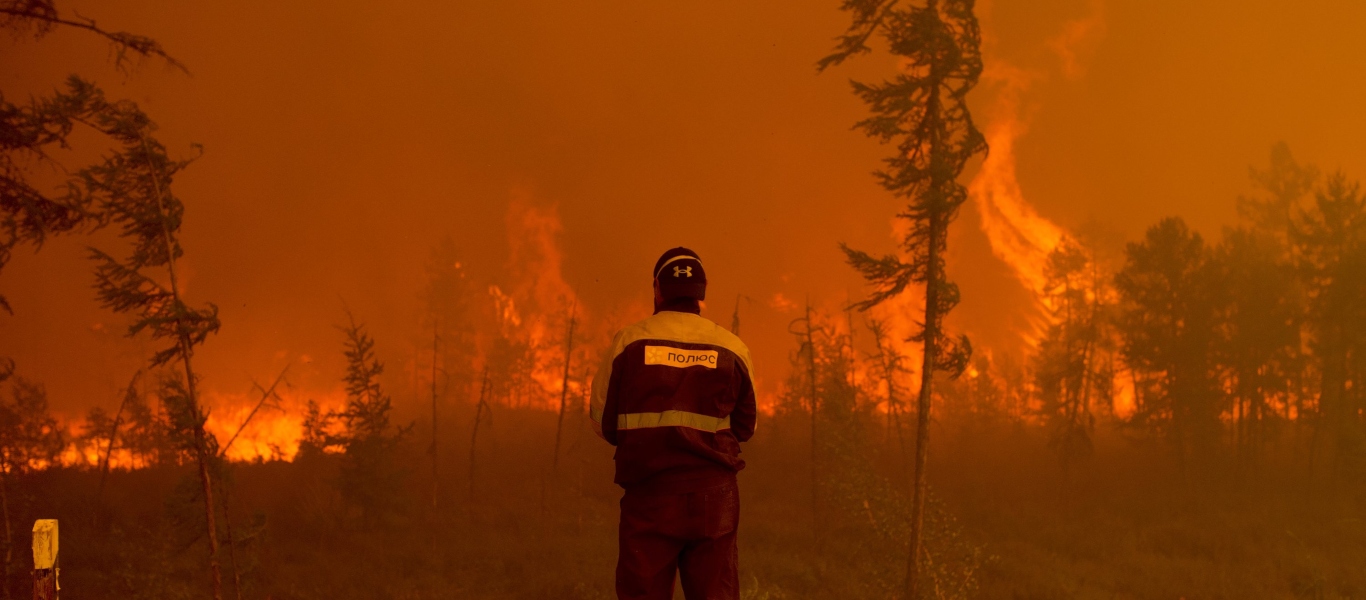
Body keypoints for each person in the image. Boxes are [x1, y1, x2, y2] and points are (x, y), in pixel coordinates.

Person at [590, 247, 758, 600]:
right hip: (715, 500)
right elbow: (746, 427)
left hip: (649, 499)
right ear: (701, 292)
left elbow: (603, 423)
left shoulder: (629, 343)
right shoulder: (733, 348)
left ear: (657, 288)